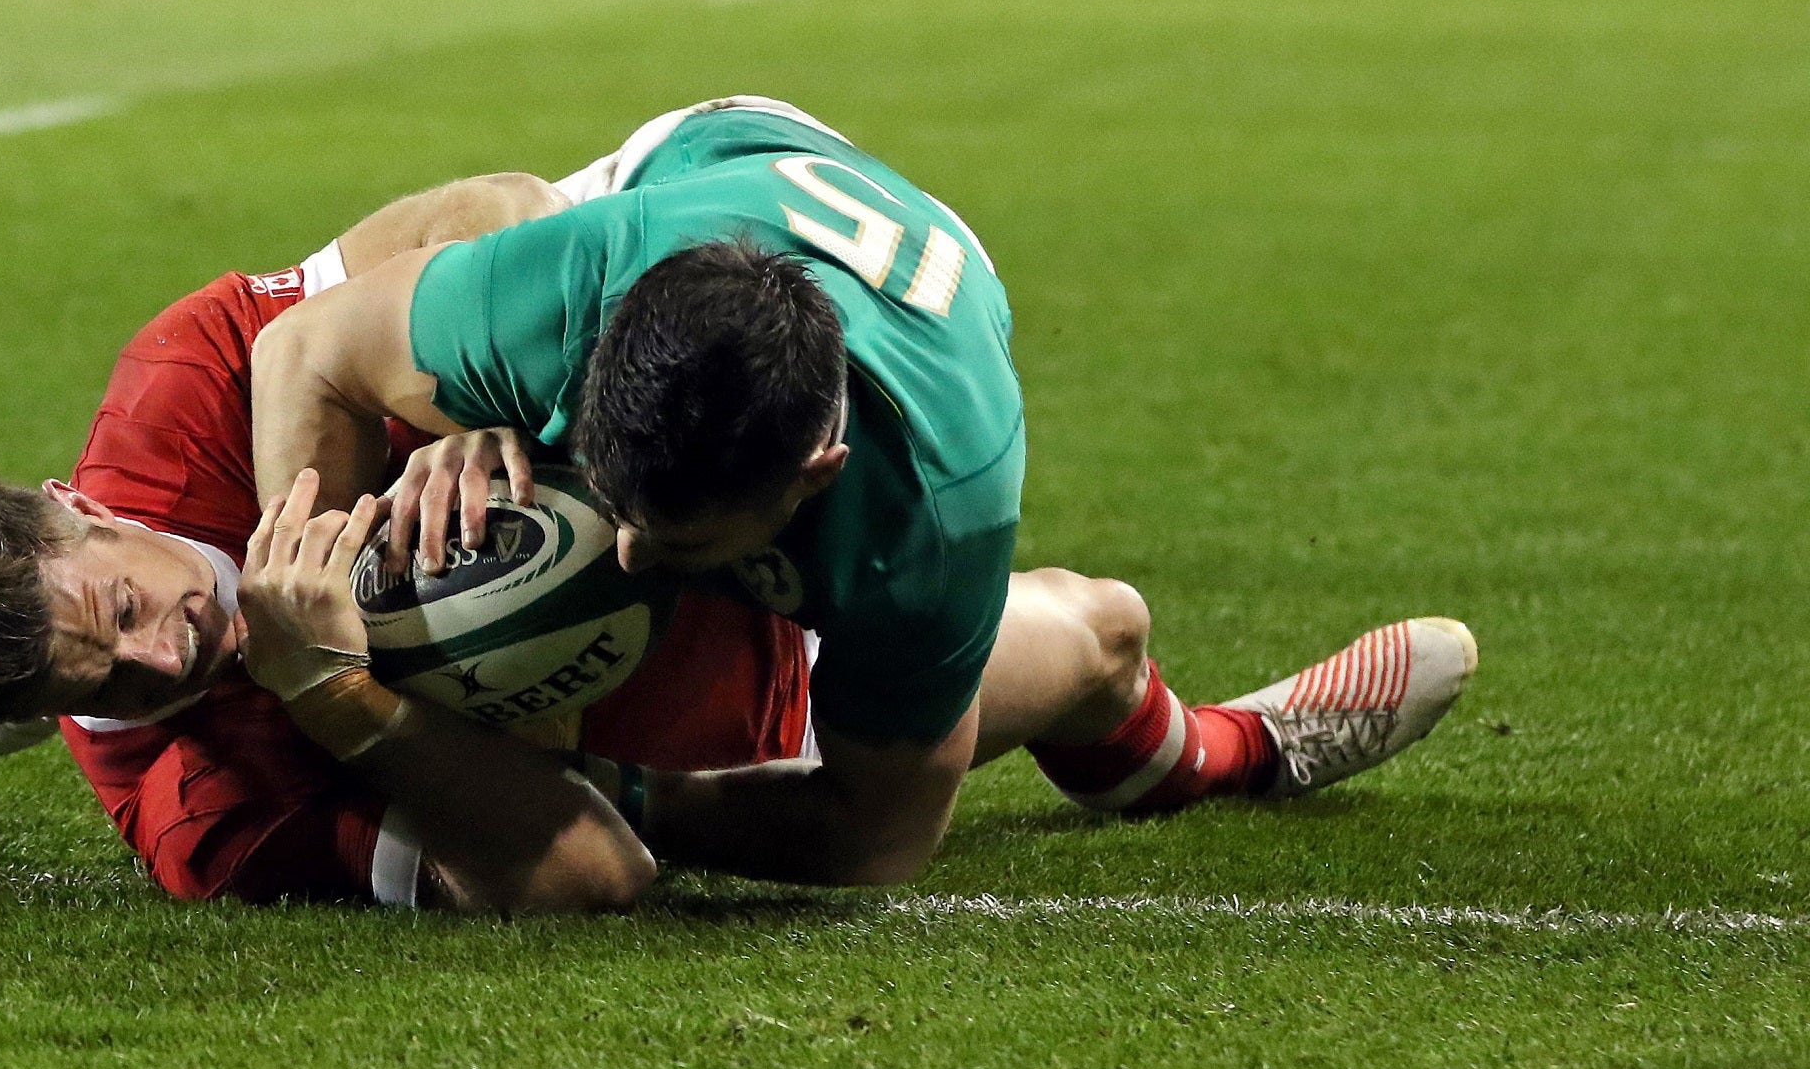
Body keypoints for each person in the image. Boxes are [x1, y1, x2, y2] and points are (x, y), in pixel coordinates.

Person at [246, 95, 1482, 889]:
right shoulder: (582, 278)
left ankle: (1214, 751)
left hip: (912, 350)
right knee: (477, 216)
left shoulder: (930, 514)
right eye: (612, 506)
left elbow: (872, 841)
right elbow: (297, 353)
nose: (624, 554)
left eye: (674, 542)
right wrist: (330, 581)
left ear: (811, 478)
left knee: (1084, 646)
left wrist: (604, 798)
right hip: (707, 169)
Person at [0, 173, 814, 912]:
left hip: (715, 456)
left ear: (82, 508)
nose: (165, 661)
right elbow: (592, 878)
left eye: (122, 609)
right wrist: (344, 700)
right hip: (772, 717)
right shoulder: (200, 810)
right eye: (103, 691)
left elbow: (502, 203)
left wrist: (479, 403)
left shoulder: (189, 392)